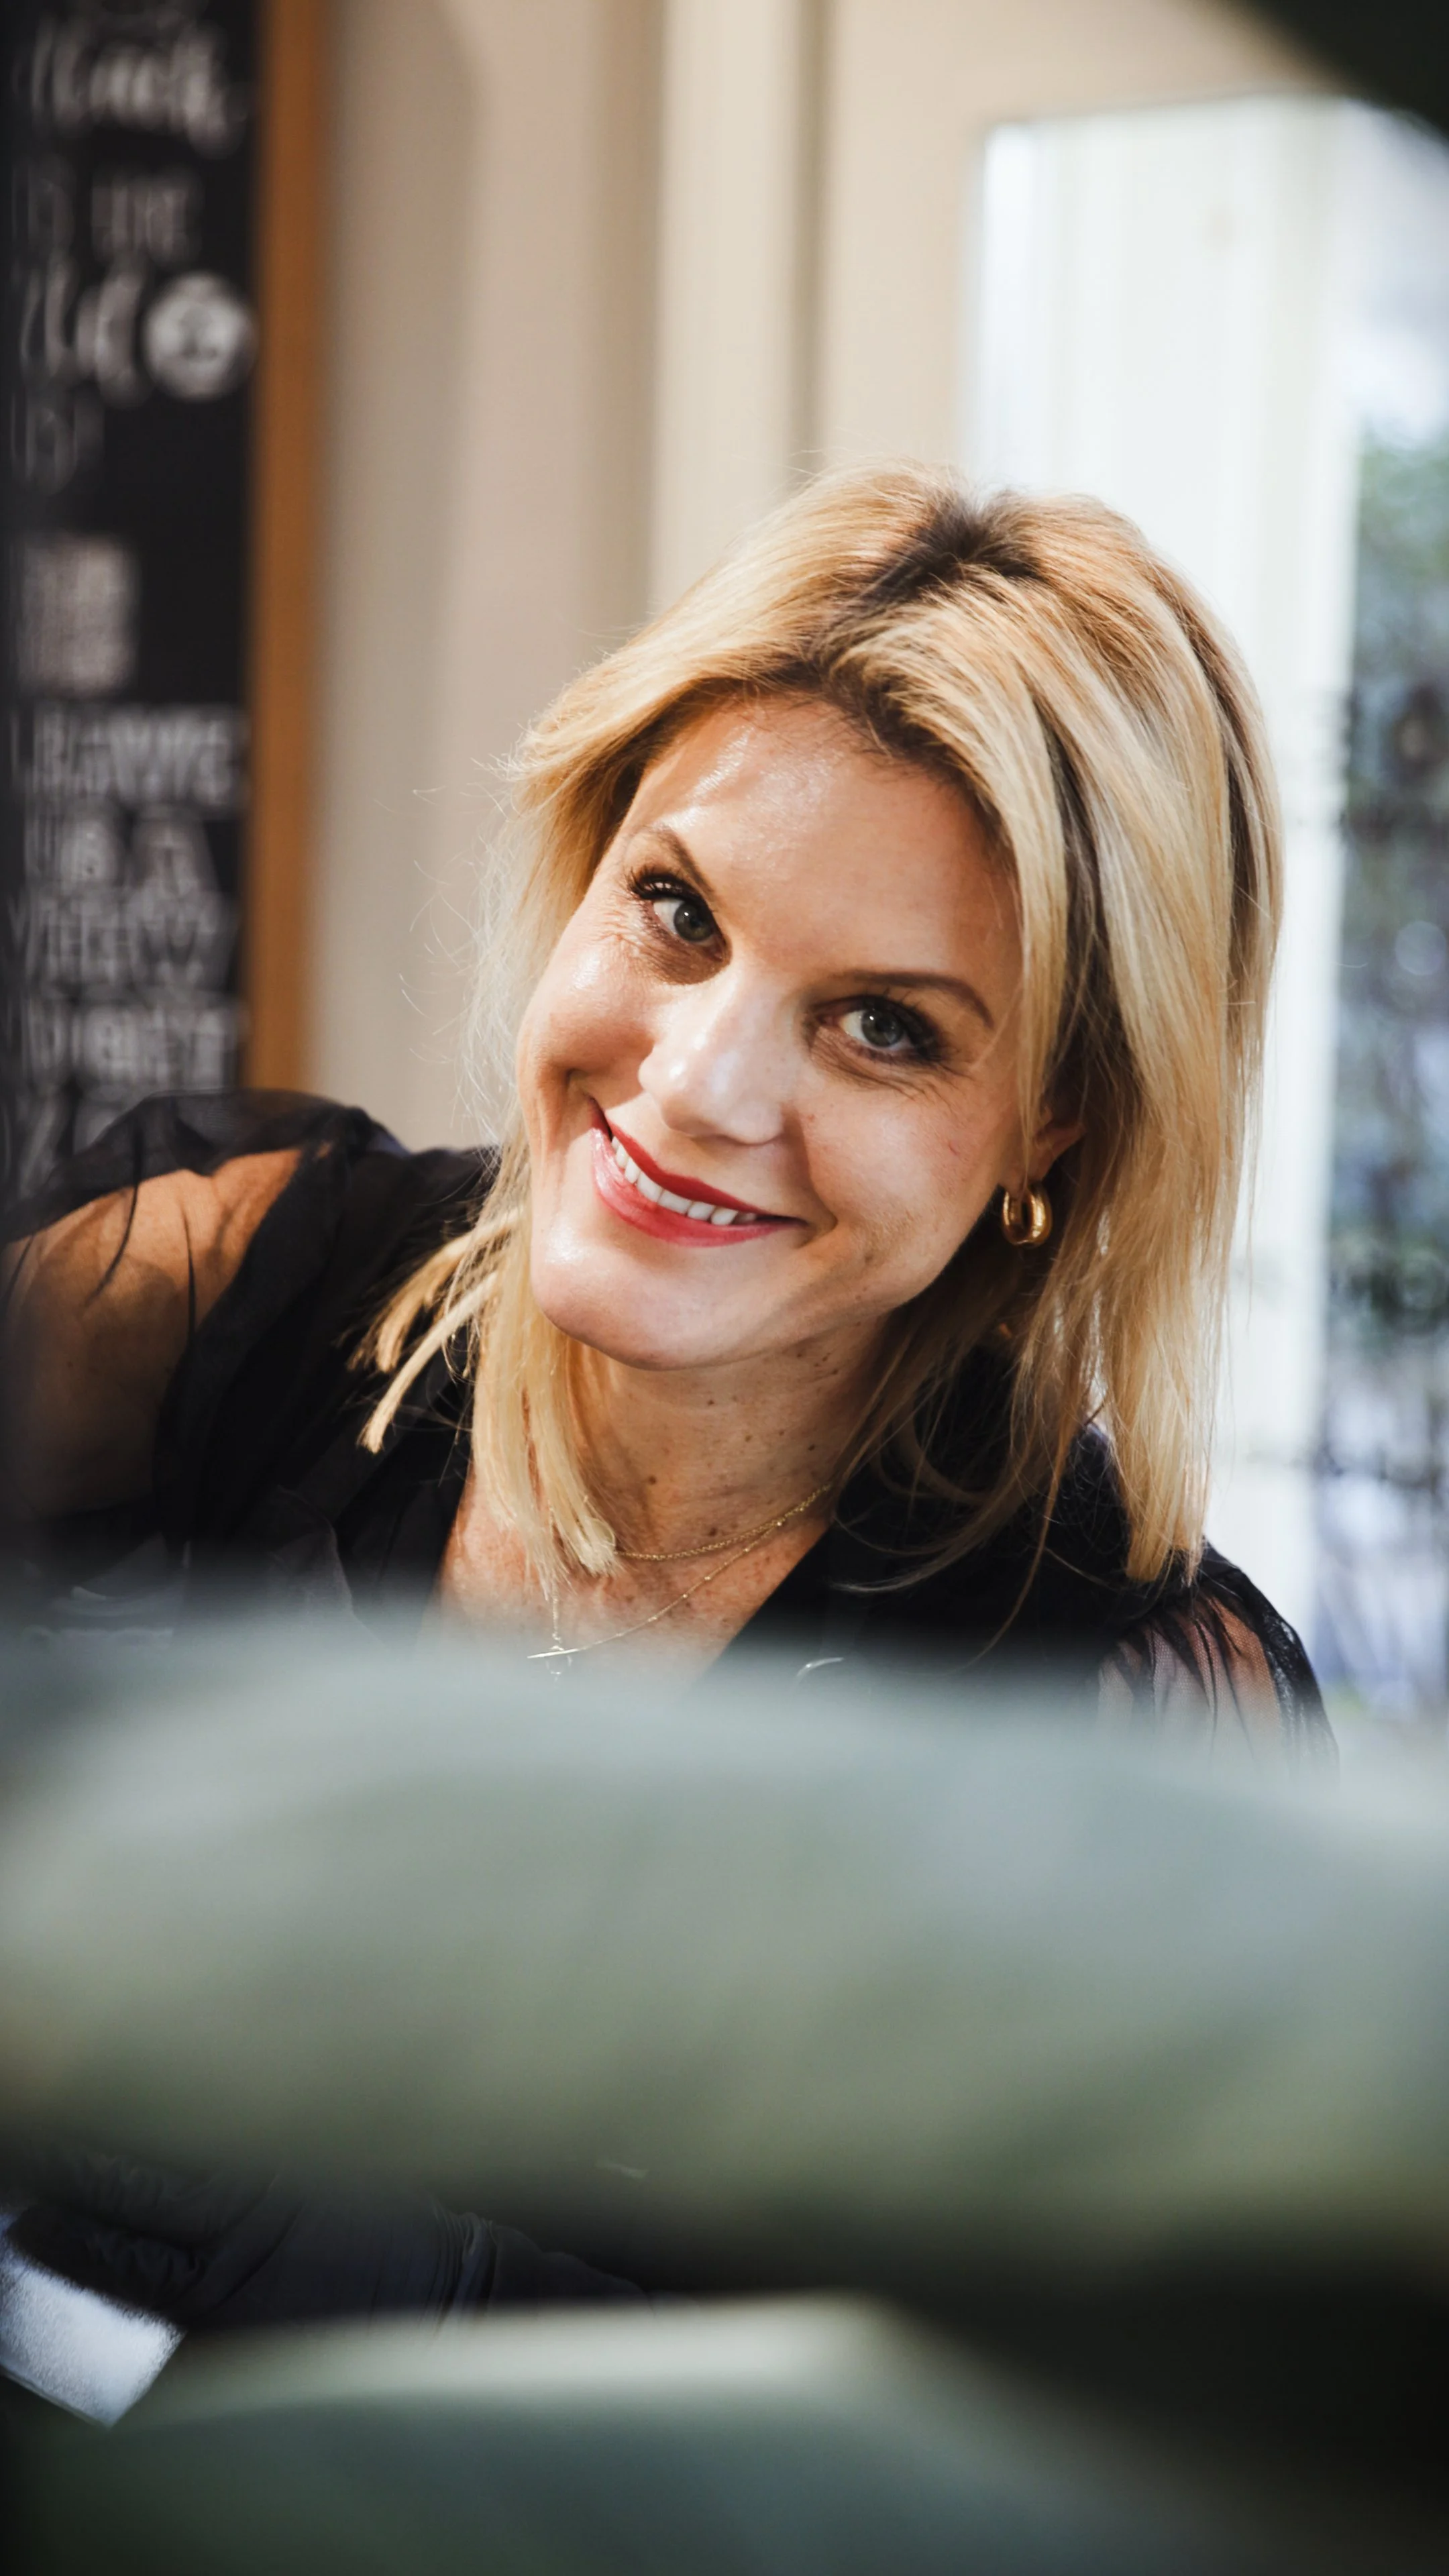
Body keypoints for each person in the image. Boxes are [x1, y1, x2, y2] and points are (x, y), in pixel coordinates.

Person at [0, 466, 1330, 2329]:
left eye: (887, 1026)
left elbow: (1088, 2484)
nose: (698, 1083)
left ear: (1056, 1124)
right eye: (679, 914)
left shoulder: (1121, 1705)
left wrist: (419, 2285)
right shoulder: (236, 1278)